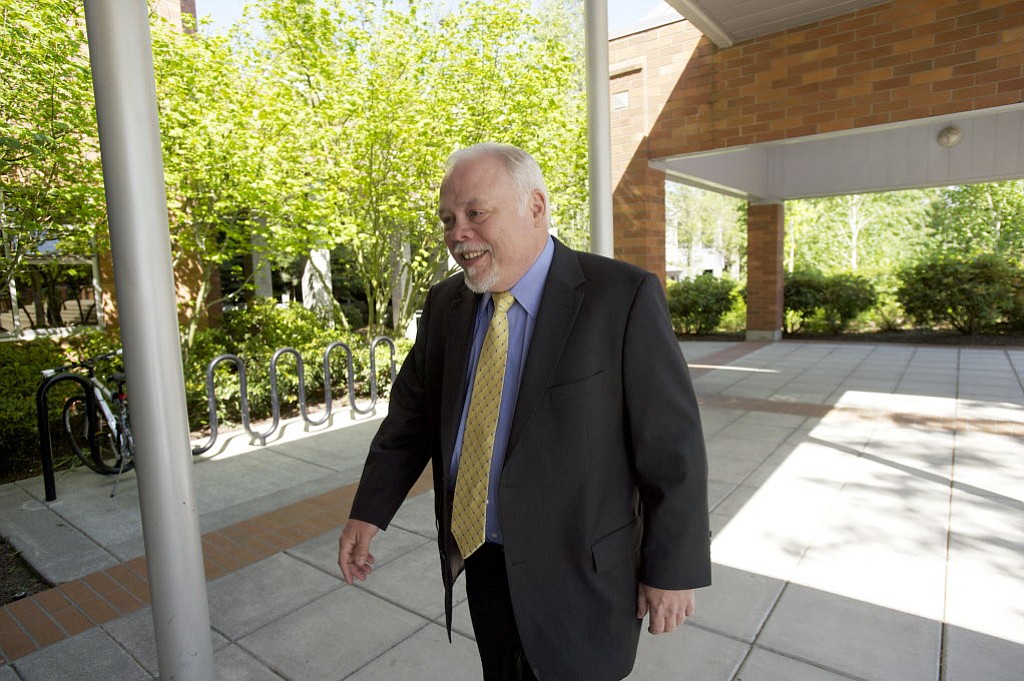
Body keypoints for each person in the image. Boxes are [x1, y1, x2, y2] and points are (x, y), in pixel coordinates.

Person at [338, 143, 710, 681]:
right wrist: (368, 510)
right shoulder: (446, 305)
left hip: (581, 573)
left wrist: (673, 569)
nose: (456, 233)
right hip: (483, 558)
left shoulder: (621, 297)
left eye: (475, 213)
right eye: (448, 219)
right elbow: (410, 420)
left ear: (535, 207)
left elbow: (672, 447)